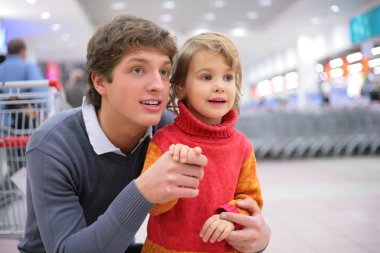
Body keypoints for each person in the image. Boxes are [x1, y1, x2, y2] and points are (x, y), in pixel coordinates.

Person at [17, 15, 269, 253]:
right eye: (138, 70)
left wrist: (260, 237)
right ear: (100, 81)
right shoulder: (52, 145)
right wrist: (143, 191)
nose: (158, 86)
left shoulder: (170, 130)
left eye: (164, 71)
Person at [141, 32, 270, 253]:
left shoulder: (241, 146)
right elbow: (152, 205)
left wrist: (229, 216)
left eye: (228, 77)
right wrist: (175, 177)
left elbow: (250, 196)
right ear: (181, 87)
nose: (219, 86)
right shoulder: (165, 141)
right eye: (206, 77)